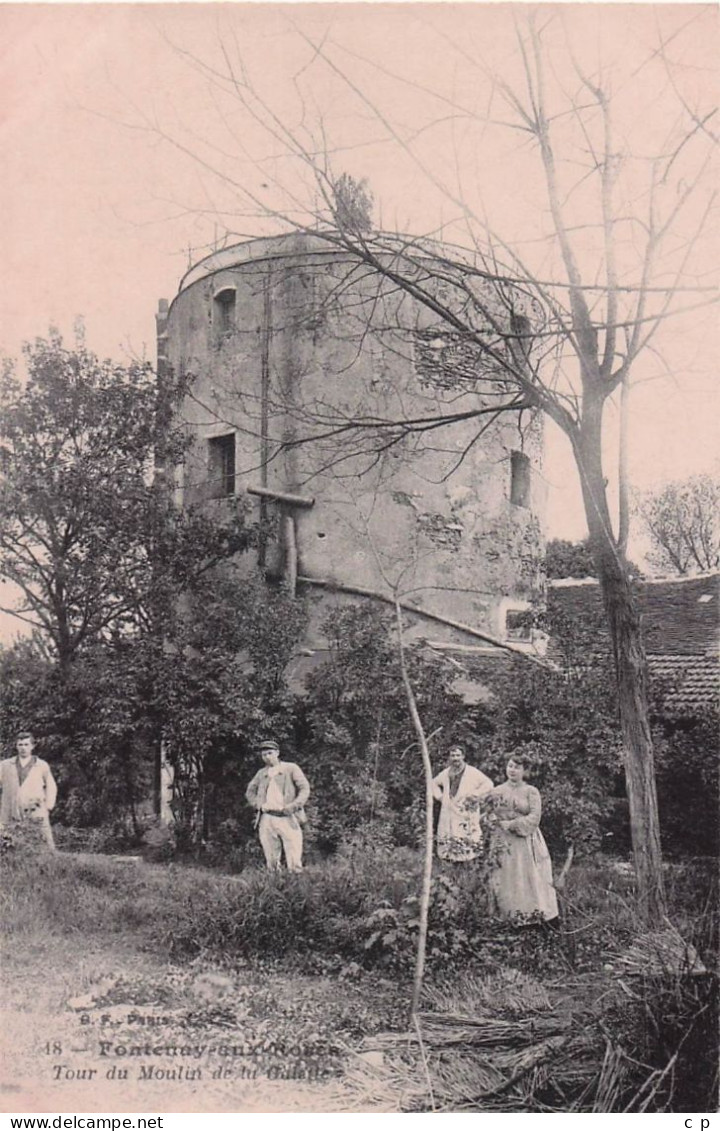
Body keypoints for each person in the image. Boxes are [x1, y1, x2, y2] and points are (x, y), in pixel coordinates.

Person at [489, 751, 558, 922]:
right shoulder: (496, 791)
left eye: (517, 767)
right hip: (503, 841)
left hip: (526, 842)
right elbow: (487, 814)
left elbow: (535, 817)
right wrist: (495, 822)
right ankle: (507, 916)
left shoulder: (531, 791)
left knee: (528, 878)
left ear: (524, 771)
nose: (512, 770)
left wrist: (512, 825)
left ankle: (533, 918)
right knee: (505, 877)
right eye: (510, 766)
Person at [245, 739, 310, 872]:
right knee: (271, 858)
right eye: (264, 755)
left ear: (277, 753)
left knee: (294, 856)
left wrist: (294, 806)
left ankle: (297, 888)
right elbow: (250, 791)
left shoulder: (290, 768)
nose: (267, 757)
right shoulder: (261, 773)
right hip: (267, 818)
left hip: (288, 817)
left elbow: (304, 788)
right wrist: (258, 805)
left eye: (270, 753)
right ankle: (274, 888)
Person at [432, 746, 493, 862]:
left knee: (468, 837)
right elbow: (433, 783)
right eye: (453, 756)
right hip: (449, 811)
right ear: (449, 757)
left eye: (458, 755)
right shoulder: (446, 773)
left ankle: (469, 863)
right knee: (449, 836)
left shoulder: (472, 772)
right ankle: (450, 862)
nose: (455, 758)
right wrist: (440, 797)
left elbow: (488, 784)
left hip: (465, 810)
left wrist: (475, 795)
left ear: (463, 756)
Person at [0, 731, 57, 850]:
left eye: (26, 744)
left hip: (35, 810)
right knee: (7, 843)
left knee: (43, 845)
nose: (23, 748)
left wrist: (48, 806)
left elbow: (51, 787)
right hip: (10, 810)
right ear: (16, 746)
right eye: (20, 745)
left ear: (32, 746)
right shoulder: (5, 765)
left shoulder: (41, 765)